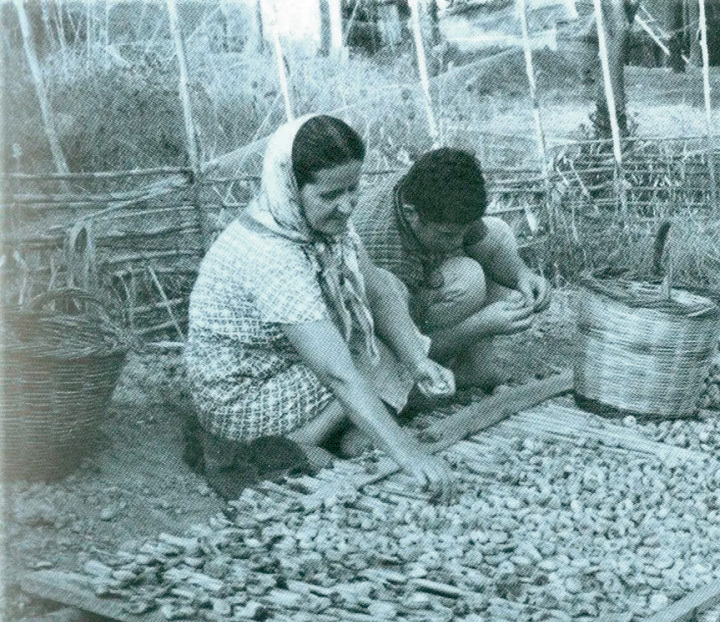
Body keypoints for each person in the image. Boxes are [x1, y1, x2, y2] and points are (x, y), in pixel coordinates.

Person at [184, 115, 454, 500]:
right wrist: (411, 456)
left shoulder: (322, 225)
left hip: (282, 366)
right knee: (366, 357)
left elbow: (376, 291)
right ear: (292, 188)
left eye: (353, 188)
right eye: (329, 195)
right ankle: (295, 441)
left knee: (390, 303)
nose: (346, 206)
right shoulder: (271, 253)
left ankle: (341, 429)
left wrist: (417, 359)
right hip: (243, 397)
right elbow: (337, 372)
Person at [351, 147, 552, 389]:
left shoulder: (434, 190)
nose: (458, 242)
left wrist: (523, 275)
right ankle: (433, 379)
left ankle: (475, 366)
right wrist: (481, 325)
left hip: (419, 277)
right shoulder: (382, 249)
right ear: (411, 214)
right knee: (469, 277)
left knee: (497, 231)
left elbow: (487, 248)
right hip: (380, 348)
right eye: (448, 235)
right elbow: (402, 346)